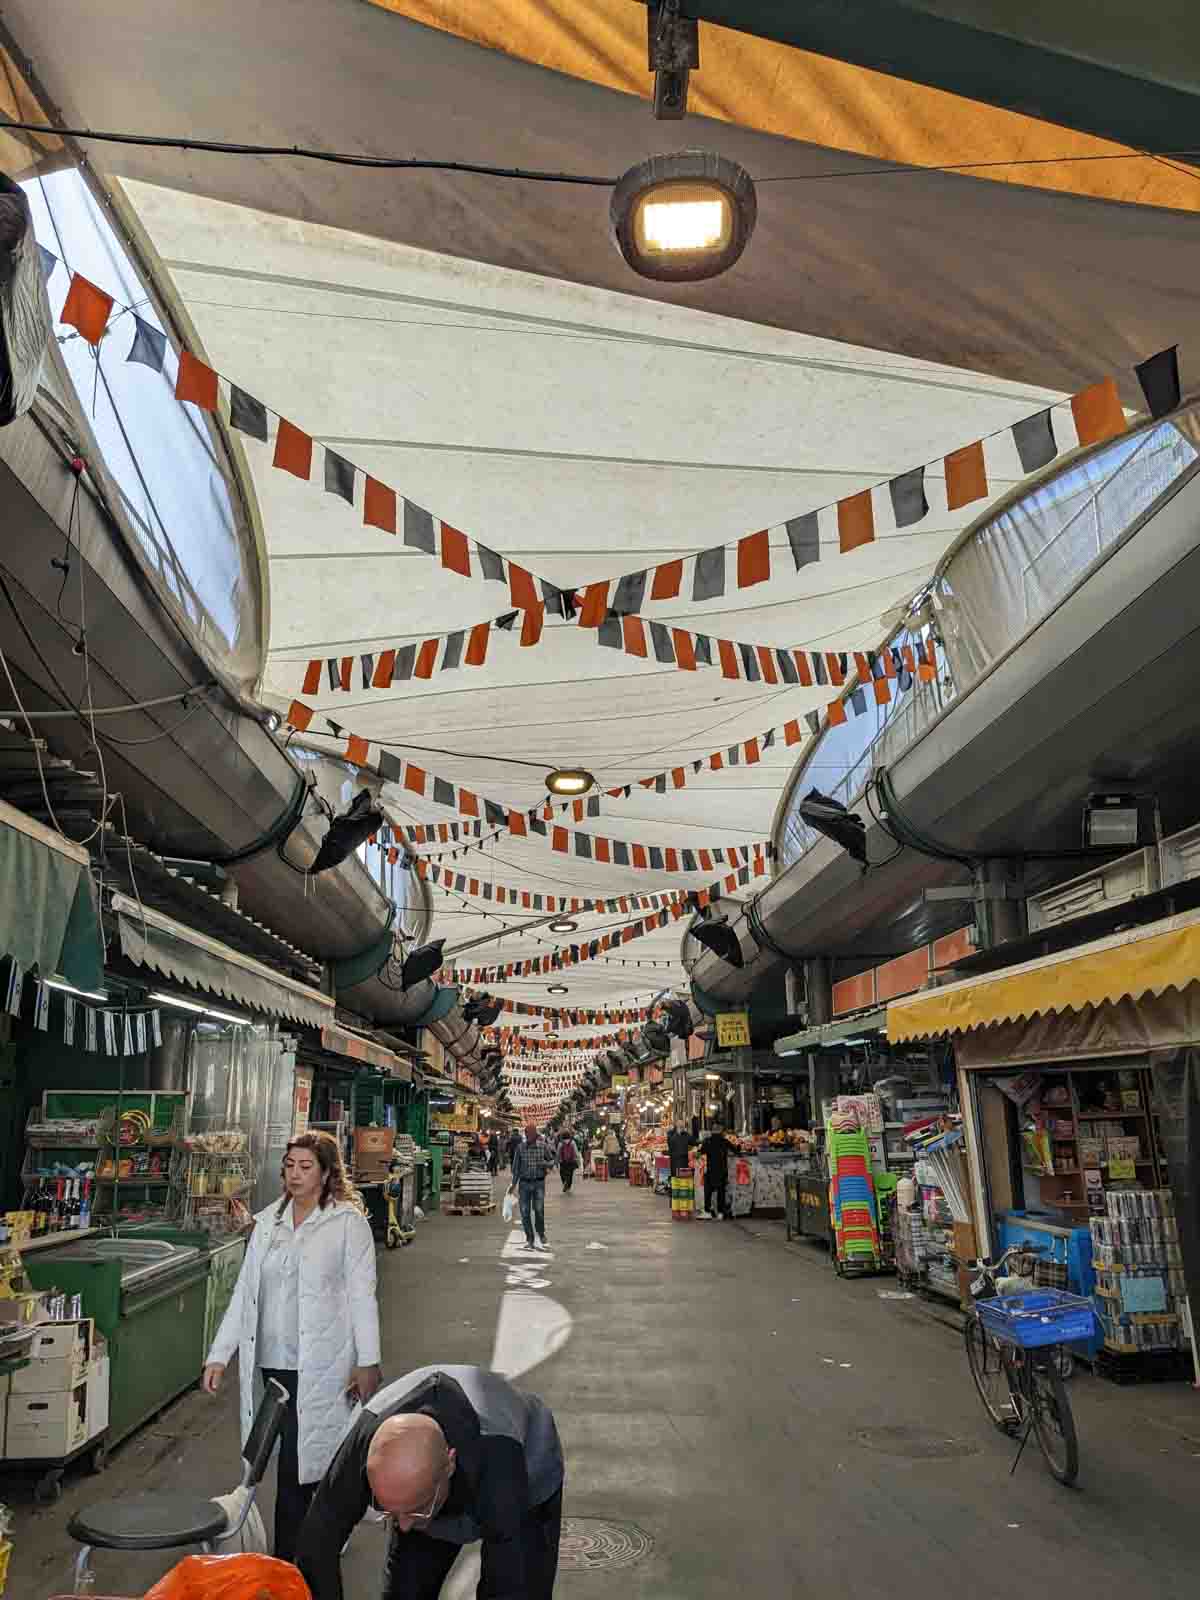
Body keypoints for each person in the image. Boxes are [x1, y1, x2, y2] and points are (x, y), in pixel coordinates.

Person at [203, 1131, 382, 1560]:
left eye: (306, 1167)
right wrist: (219, 1355)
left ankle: (296, 1558)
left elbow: (362, 1295)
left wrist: (368, 1361)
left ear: (325, 1173)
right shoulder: (268, 1225)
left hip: (323, 1363)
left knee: (302, 1467)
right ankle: (307, 1548)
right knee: (296, 1463)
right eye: (289, 1165)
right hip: (273, 1364)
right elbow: (245, 1296)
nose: (295, 1174)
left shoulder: (347, 1224)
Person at [295, 1364, 564, 1600]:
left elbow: (509, 1587)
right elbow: (317, 1542)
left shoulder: (499, 1461)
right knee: (407, 1591)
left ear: (449, 1463)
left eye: (414, 1510)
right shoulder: (365, 1446)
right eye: (388, 1512)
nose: (403, 1526)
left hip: (528, 1471)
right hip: (437, 1490)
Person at [509, 1119, 557, 1251]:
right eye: (528, 1135)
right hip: (524, 1184)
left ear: (535, 1135)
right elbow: (516, 1168)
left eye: (532, 1135)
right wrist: (513, 1185)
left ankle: (541, 1234)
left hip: (538, 1183)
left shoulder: (543, 1146)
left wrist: (545, 1164)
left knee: (539, 1210)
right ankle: (529, 1238)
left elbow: (553, 1160)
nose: (530, 1138)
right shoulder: (520, 1148)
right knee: (524, 1212)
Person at [698, 1120, 738, 1220]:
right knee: (721, 1192)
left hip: (711, 1170)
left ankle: (707, 1211)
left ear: (712, 1130)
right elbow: (736, 1151)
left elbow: (701, 1152)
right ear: (721, 1131)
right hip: (722, 1170)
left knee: (708, 1191)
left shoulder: (707, 1141)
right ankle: (720, 1212)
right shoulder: (725, 1141)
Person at [557, 1128, 579, 1193]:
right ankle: (568, 1186)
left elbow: (558, 1153)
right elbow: (576, 1152)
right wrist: (577, 1159)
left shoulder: (560, 1143)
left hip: (563, 1161)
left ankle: (564, 1182)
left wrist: (558, 1160)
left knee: (562, 1173)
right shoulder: (572, 1142)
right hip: (571, 1161)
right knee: (570, 1174)